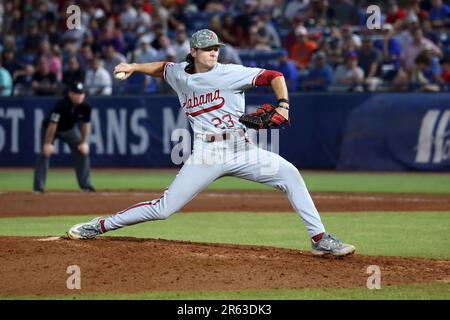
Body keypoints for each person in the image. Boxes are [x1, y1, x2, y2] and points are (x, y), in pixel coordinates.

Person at [67, 29, 355, 256]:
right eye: (207, 48)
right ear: (193, 52)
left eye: (216, 48)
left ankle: (320, 239)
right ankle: (99, 225)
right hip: (207, 153)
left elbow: (275, 76)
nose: (213, 53)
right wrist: (134, 66)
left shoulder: (230, 72)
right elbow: (163, 68)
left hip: (242, 148)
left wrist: (284, 105)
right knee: (164, 209)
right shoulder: (180, 73)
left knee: (290, 174)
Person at [33, 82, 95, 193]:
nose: (80, 96)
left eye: (81, 93)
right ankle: (38, 188)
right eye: (76, 93)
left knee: (82, 152)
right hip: (51, 129)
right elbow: (53, 124)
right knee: (45, 154)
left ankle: (86, 185)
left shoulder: (86, 106)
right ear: (70, 94)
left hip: (69, 130)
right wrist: (47, 143)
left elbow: (86, 124)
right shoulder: (62, 105)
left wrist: (84, 142)